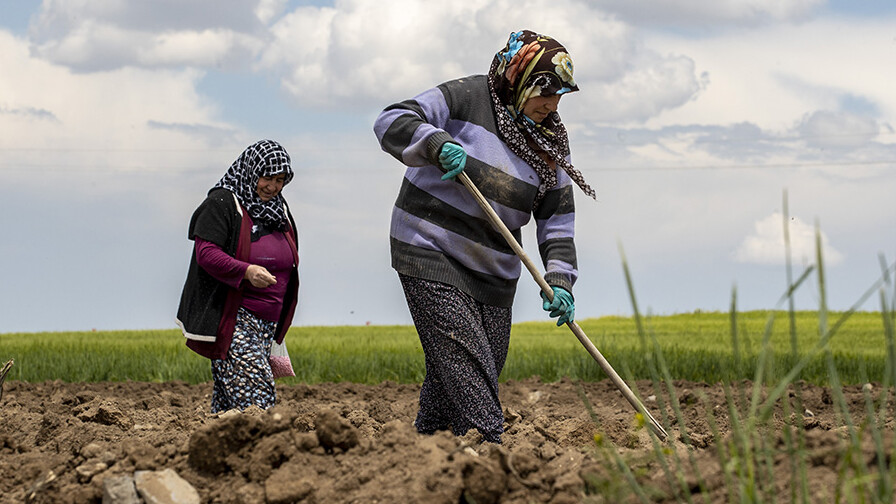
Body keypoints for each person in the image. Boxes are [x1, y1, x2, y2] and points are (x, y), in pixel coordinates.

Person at [373, 30, 595, 443]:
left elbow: (557, 221)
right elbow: (391, 120)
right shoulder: (467, 97)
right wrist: (434, 143)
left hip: (495, 268)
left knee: (472, 366)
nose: (553, 104)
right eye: (545, 92)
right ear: (520, 78)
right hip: (430, 247)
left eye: (560, 95)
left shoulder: (549, 143)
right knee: (466, 361)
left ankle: (425, 448)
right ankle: (491, 449)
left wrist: (560, 281)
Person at [176, 139, 300, 413]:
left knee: (229, 404)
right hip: (234, 318)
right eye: (267, 177)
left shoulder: (279, 210)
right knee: (257, 398)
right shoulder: (222, 203)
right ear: (251, 171)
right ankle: (263, 450)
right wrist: (246, 271)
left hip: (268, 324)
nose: (273, 186)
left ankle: (219, 450)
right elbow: (206, 253)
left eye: (280, 180)